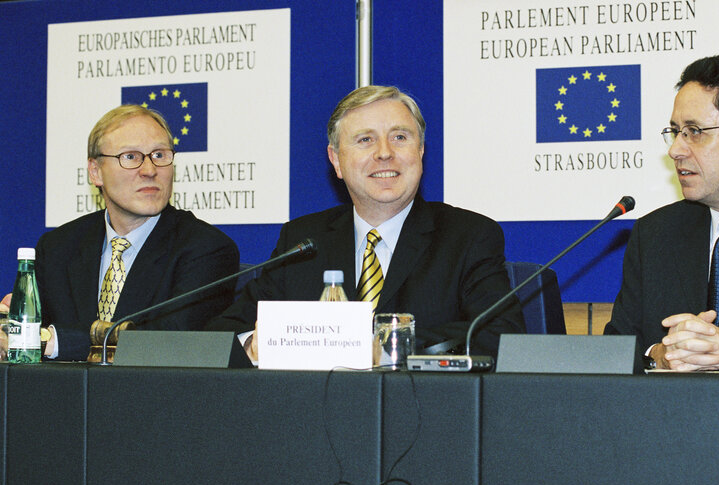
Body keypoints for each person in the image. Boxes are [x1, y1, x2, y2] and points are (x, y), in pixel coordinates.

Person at [206, 85, 525, 360]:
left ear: (421, 151)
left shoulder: (468, 236)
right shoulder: (303, 240)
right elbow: (223, 333)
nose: (385, 153)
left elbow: (499, 336)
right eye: (365, 140)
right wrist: (253, 344)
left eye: (399, 137)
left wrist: (374, 343)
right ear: (336, 161)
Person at [1, 104, 239, 360]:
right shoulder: (58, 247)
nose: (149, 170)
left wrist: (53, 341)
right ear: (95, 172)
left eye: (159, 155)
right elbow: (29, 328)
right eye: (130, 157)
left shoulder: (206, 249)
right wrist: (8, 326)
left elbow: (168, 342)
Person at [605, 55, 719, 371]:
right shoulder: (655, 234)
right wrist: (658, 356)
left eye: (694, 131)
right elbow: (618, 350)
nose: (675, 149)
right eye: (676, 131)